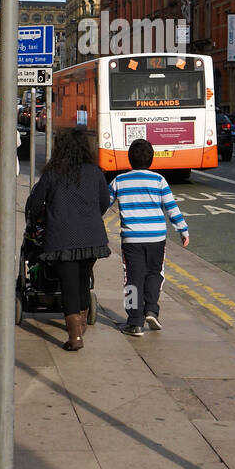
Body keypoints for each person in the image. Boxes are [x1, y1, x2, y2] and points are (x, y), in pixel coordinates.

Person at [25, 128, 110, 351]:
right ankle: (80, 324)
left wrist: (43, 217)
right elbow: (104, 202)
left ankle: (75, 337)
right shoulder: (95, 172)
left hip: (62, 237)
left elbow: (35, 204)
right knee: (83, 281)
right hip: (92, 237)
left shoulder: (52, 173)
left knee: (69, 285)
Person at [108, 138, 189, 336]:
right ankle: (151, 309)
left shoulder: (119, 181)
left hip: (132, 239)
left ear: (129, 159)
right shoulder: (159, 180)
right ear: (151, 160)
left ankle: (134, 321)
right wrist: (182, 230)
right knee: (155, 272)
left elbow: (104, 204)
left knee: (132, 278)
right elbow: (171, 208)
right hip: (156, 238)